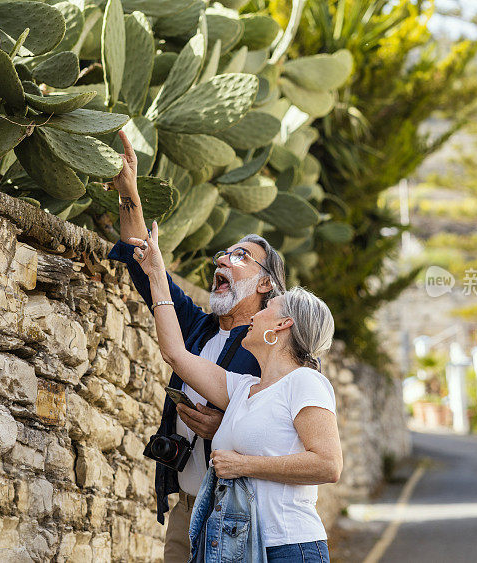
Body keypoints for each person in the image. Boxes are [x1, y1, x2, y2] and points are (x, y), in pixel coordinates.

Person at [105, 131, 287, 562]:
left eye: (240, 256)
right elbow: (142, 260)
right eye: (224, 253)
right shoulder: (198, 328)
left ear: (265, 283)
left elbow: (286, 433)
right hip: (186, 508)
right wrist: (130, 191)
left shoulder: (273, 349)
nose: (222, 259)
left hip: (236, 513)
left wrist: (223, 427)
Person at [130, 224, 343, 562]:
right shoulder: (243, 390)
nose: (258, 313)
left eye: (268, 309)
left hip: (290, 546)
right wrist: (156, 272)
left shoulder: (306, 382)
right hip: (239, 541)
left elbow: (328, 465)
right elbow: (174, 352)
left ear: (282, 325)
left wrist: (244, 464)